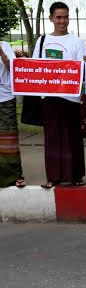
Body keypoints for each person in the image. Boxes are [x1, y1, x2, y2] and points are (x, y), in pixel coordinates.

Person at [34, 2, 86, 189]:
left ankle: (76, 175)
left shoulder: (76, 41)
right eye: (58, 17)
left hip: (70, 96)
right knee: (52, 137)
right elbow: (36, 67)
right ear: (51, 19)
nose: (62, 21)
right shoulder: (42, 41)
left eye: (65, 17)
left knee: (72, 136)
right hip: (49, 97)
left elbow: (82, 67)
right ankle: (53, 176)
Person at [0, 38, 24, 187]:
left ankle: (13, 176)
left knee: (8, 140)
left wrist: (1, 53)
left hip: (5, 98)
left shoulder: (4, 46)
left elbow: (13, 69)